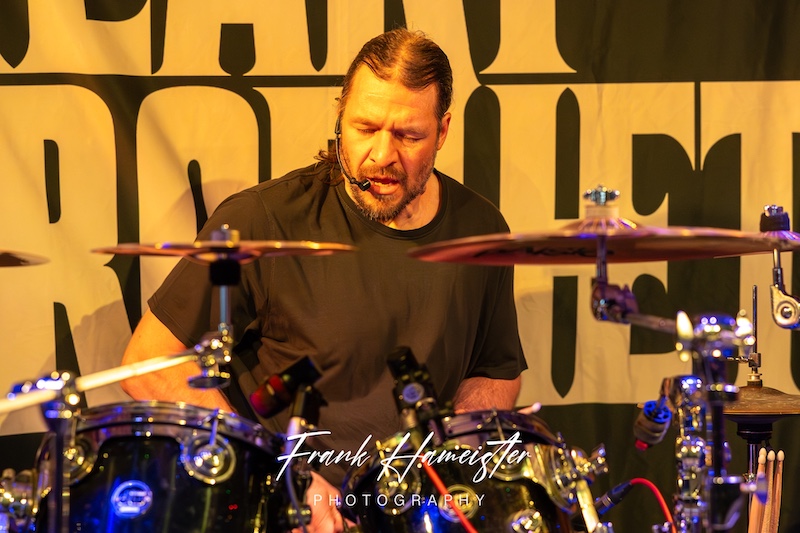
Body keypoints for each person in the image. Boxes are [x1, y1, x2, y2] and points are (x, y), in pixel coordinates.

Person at [121, 27, 526, 533]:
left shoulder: (481, 229)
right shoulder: (263, 220)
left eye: (408, 135)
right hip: (284, 511)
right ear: (340, 117)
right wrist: (282, 475)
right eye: (365, 128)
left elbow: (495, 370)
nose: (381, 155)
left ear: (442, 131)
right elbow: (148, 365)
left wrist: (449, 465)